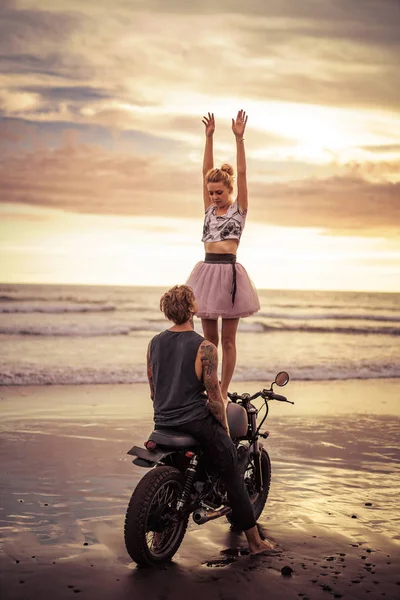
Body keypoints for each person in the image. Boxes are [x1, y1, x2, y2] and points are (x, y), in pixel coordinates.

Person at [147, 284, 275, 556]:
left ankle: (160, 537)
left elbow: (154, 387)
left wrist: (166, 410)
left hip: (162, 419)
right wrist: (225, 430)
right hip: (194, 420)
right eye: (195, 300)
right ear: (193, 308)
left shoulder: (154, 343)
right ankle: (255, 543)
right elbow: (216, 398)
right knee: (231, 469)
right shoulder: (204, 348)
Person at [187, 110, 260, 403]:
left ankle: (224, 390)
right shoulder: (208, 209)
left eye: (219, 192)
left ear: (228, 190)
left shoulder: (238, 208)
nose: (215, 196)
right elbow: (205, 169)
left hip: (229, 274)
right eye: (211, 192)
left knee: (228, 339)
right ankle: (209, 386)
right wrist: (209, 137)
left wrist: (239, 139)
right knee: (209, 341)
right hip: (206, 272)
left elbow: (242, 173)